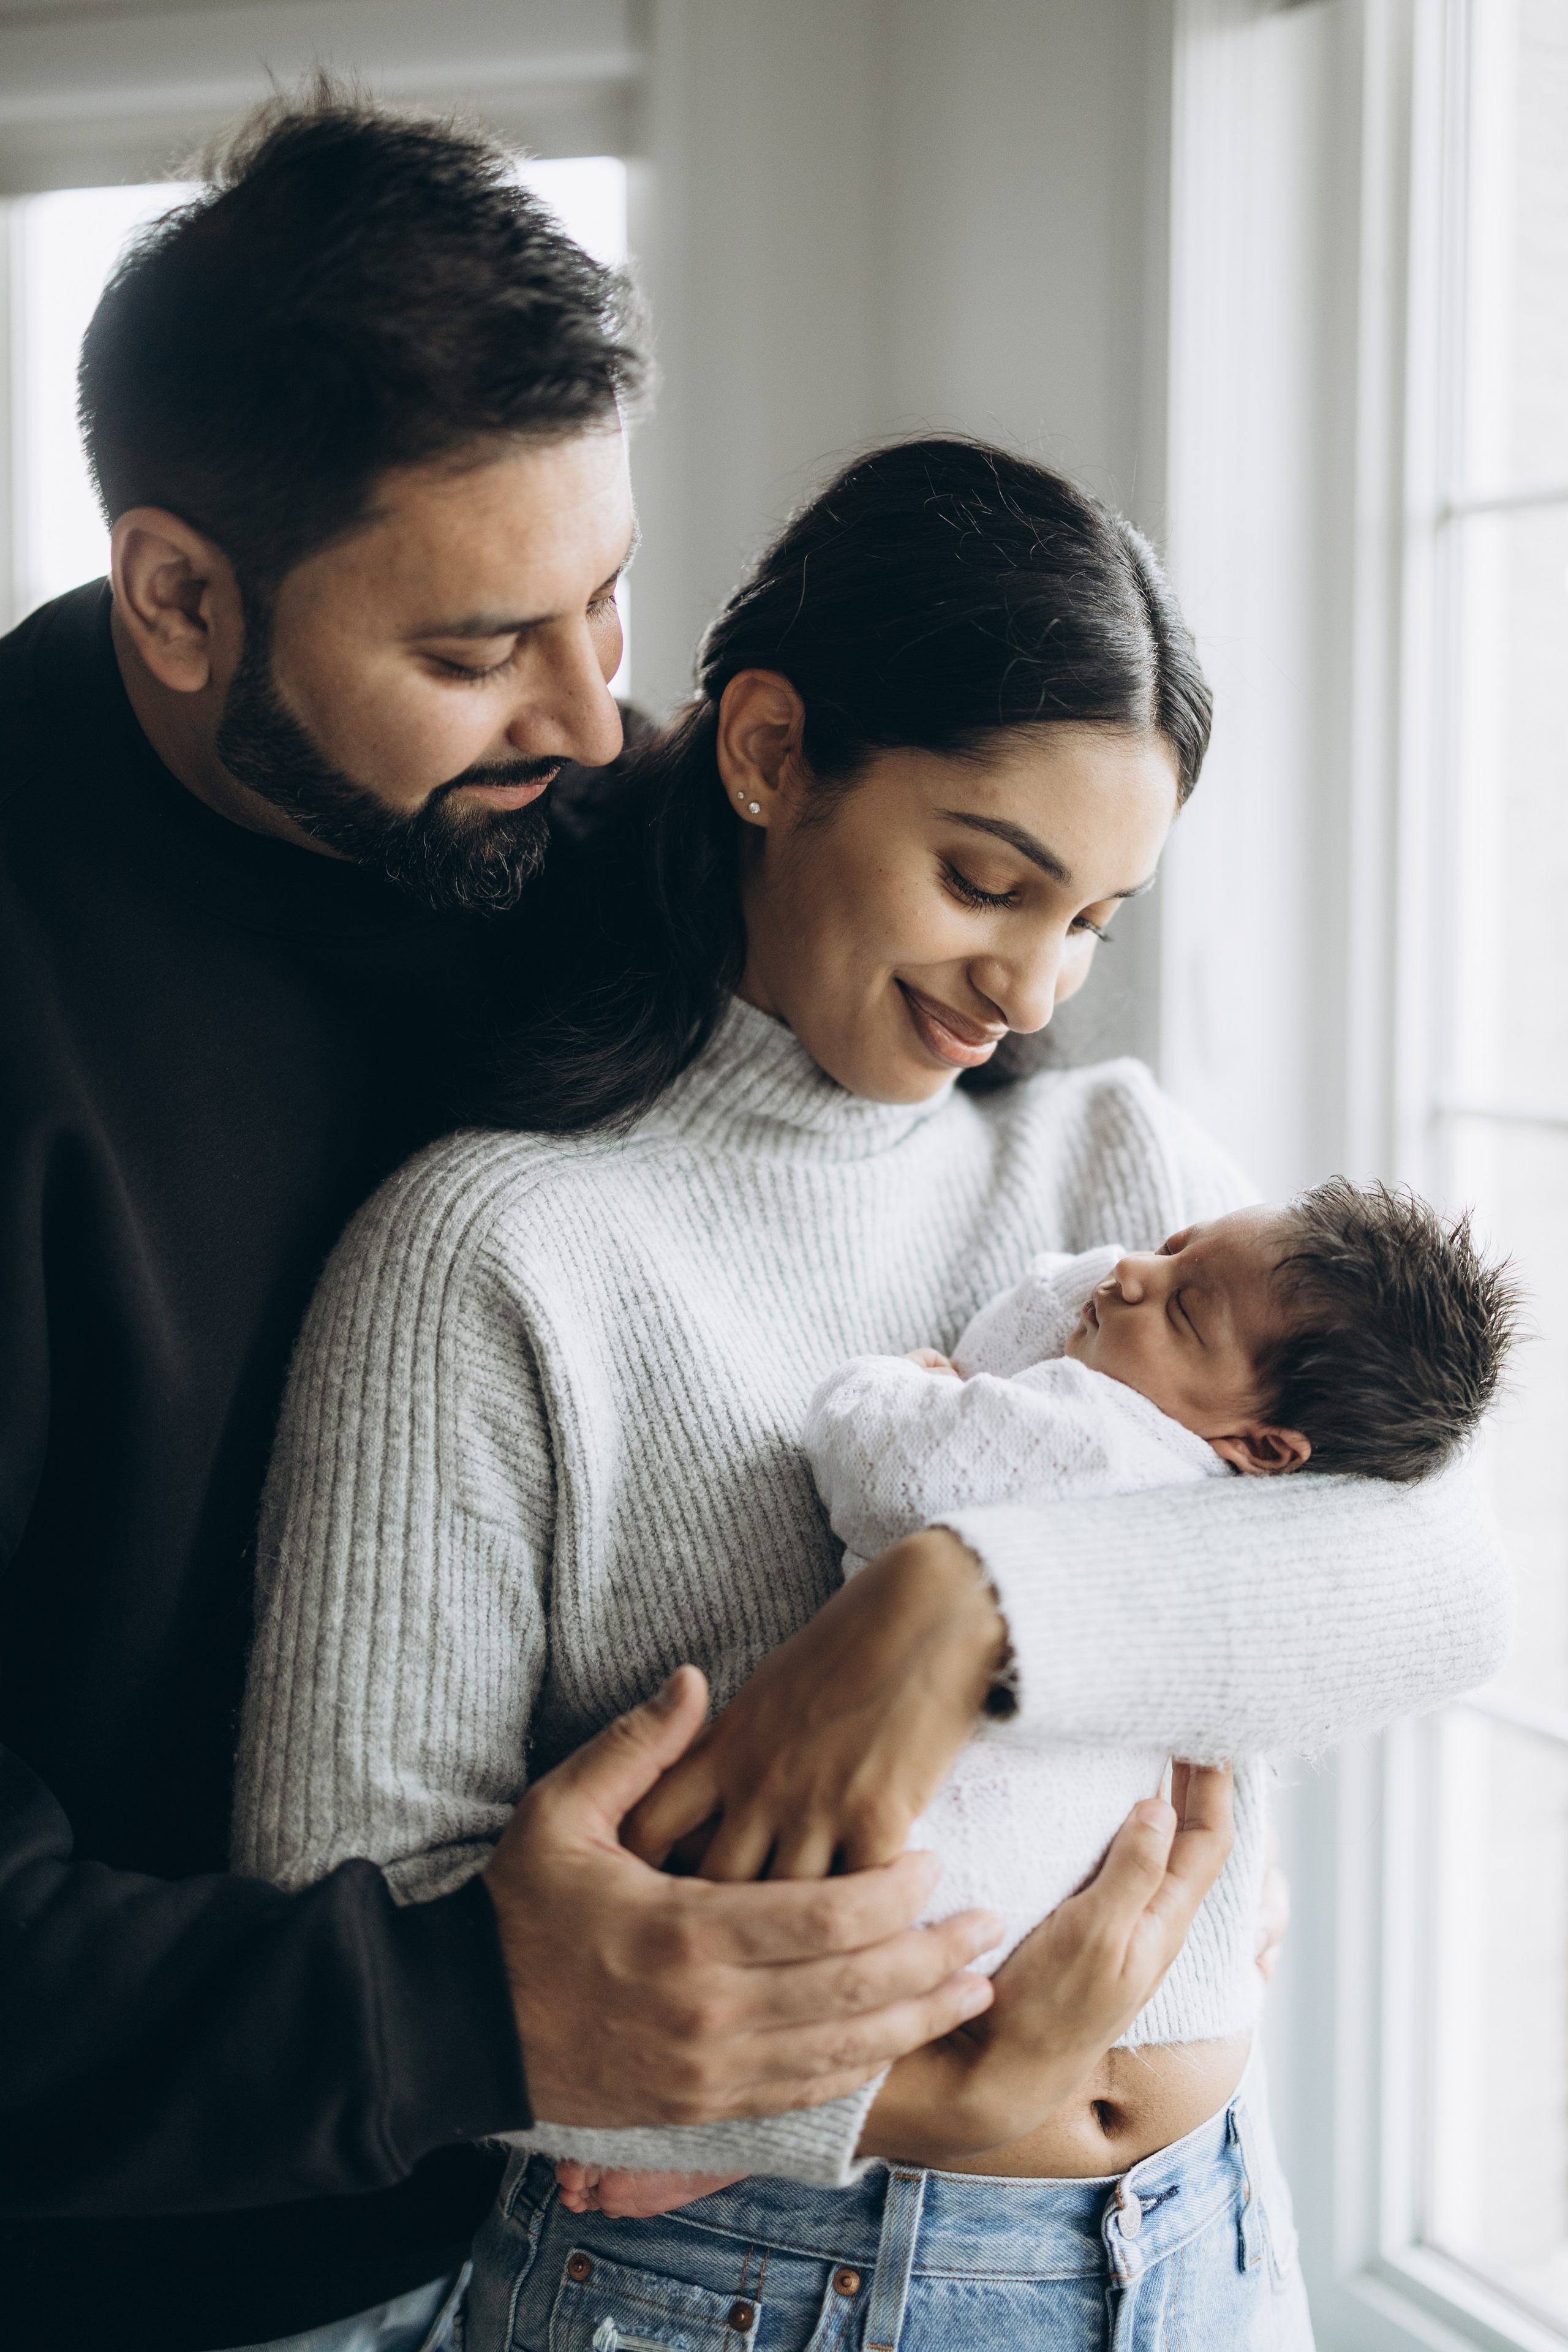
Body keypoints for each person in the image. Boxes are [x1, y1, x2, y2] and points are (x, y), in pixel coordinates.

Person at [2, 96, 1146, 2352]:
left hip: (669, 2246)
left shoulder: (607, 822)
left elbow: (1020, 1228)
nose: (591, 704)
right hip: (172, 2283)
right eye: (476, 646)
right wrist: (464, 2012)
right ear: (177, 595)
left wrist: (996, 1594)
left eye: (609, 593)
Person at [232, 441, 1512, 2348]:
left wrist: (962, 1609)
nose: (1034, 982)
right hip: (728, 2282)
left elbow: (1441, 1587)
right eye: (989, 879)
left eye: (1092, 918)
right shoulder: (494, 1253)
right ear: (767, 751)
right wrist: (897, 2100)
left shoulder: (1115, 1169)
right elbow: (352, 1932)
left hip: (1211, 2250)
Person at [548, 1180, 1518, 2219]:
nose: (1131, 1272)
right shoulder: (1235, 1455)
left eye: (1182, 1306)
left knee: (834, 1954)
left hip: (1178, 2176)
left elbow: (884, 1456)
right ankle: (730, 2138)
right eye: (1168, 1244)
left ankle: (724, 2135)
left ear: (1269, 1451)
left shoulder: (1092, 1429)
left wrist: (903, 1384)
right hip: (904, 2178)